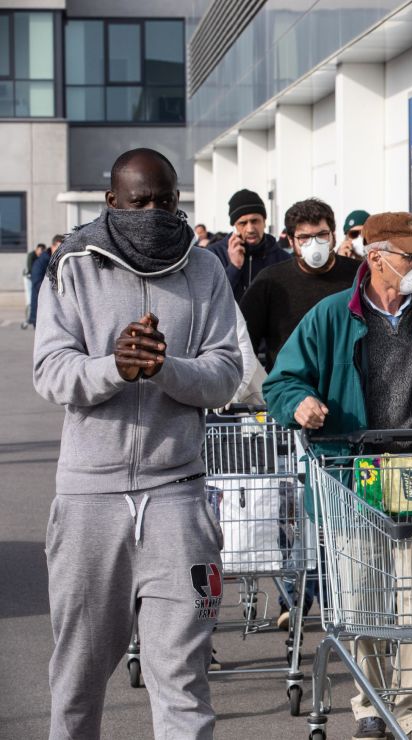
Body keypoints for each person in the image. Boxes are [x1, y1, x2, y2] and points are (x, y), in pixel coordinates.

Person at [33, 148, 241, 740]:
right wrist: (114, 368)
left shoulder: (203, 270)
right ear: (112, 202)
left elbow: (227, 371)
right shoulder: (72, 267)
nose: (153, 211)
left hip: (177, 497)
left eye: (165, 200)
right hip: (89, 501)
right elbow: (50, 372)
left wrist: (164, 368)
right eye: (139, 201)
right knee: (77, 675)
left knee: (183, 678)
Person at [264, 212, 412, 740]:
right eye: (410, 256)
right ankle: (370, 701)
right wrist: (300, 402)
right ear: (376, 258)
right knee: (362, 596)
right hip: (353, 473)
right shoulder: (331, 315)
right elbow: (281, 381)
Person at [240, 198, 361, 371]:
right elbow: (245, 343)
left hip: (345, 386)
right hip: (290, 388)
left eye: (321, 235)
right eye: (304, 237)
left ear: (333, 235)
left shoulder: (359, 275)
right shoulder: (270, 281)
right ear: (291, 240)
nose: (315, 243)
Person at [208, 188, 291, 301]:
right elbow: (210, 300)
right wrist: (234, 267)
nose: (250, 229)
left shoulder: (282, 258)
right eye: (243, 223)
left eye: (255, 221)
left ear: (264, 222)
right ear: (235, 226)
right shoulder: (214, 255)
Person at [24, 235, 64, 330]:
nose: (61, 251)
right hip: (41, 309)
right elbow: (37, 282)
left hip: (53, 310)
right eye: (59, 248)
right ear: (53, 246)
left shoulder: (58, 260)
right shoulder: (42, 261)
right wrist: (54, 292)